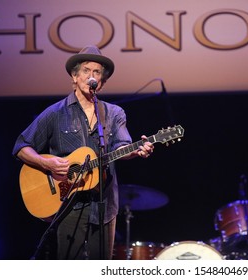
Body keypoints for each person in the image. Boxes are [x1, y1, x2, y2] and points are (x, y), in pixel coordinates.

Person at [12, 45, 154, 260]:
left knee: (102, 268)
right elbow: (21, 146)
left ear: (102, 82)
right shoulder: (55, 113)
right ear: (74, 77)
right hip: (67, 203)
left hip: (104, 204)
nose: (91, 76)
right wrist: (46, 163)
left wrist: (136, 150)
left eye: (97, 73)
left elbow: (121, 147)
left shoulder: (114, 113)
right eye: (86, 71)